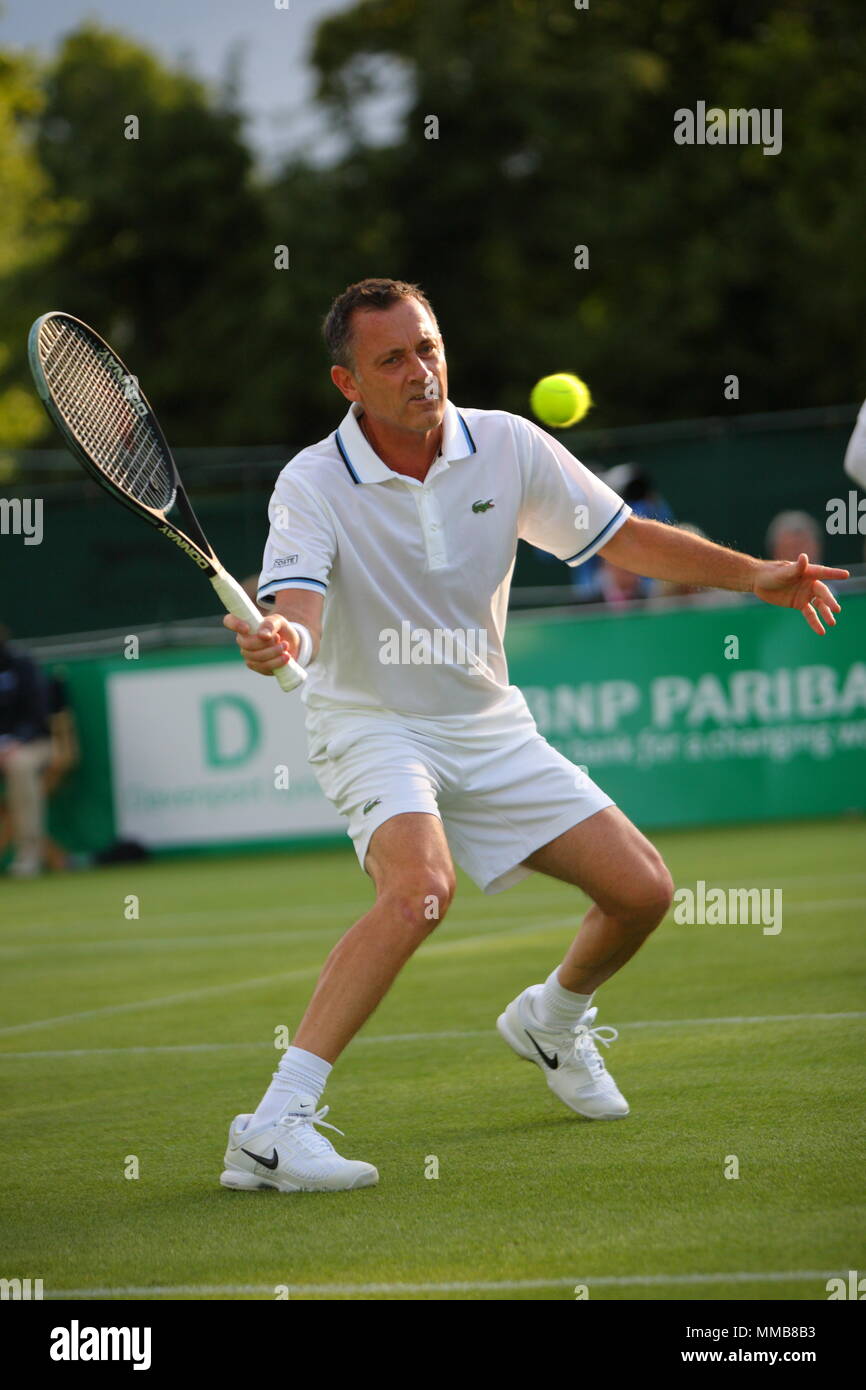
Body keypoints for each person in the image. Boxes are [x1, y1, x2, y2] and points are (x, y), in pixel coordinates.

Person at [220, 278, 849, 1195]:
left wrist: (757, 574)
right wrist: (285, 637)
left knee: (643, 891)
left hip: (487, 718)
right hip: (371, 718)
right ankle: (272, 1126)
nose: (419, 371)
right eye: (391, 359)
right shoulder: (312, 481)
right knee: (420, 891)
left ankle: (552, 1019)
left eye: (427, 347)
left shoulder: (507, 443)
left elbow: (624, 537)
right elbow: (300, 608)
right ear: (347, 382)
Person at [0, 626, 54, 878]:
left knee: (19, 766)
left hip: (32, 744)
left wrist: (15, 741)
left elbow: (38, 715)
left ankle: (29, 853)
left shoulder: (22, 664)